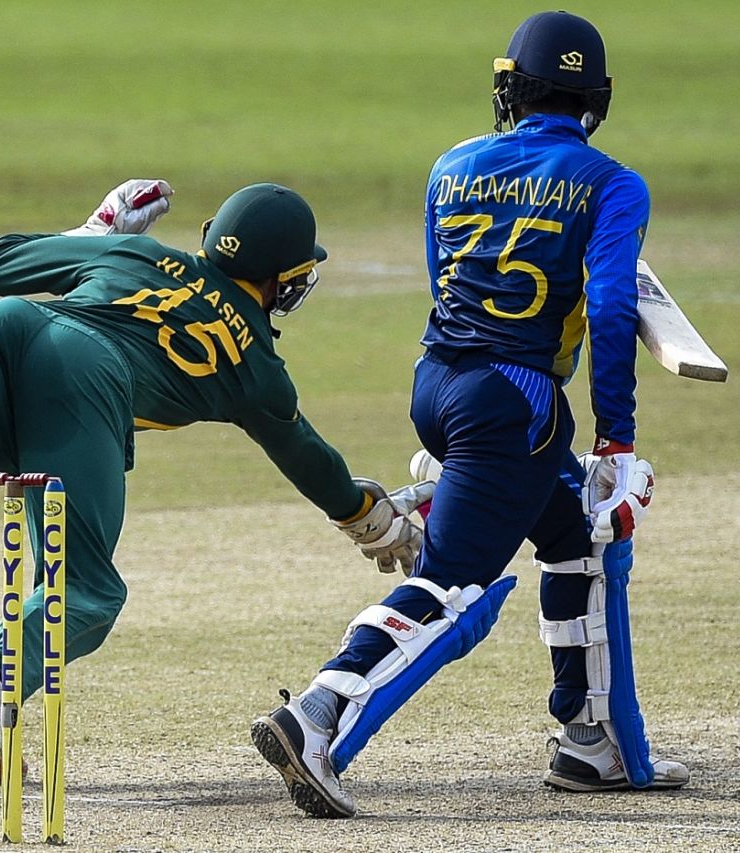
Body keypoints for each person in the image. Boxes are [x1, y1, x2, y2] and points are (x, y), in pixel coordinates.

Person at [0, 179, 430, 781]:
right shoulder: (256, 366)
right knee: (87, 591)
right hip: (84, 382)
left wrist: (97, 231)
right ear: (283, 280)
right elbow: (307, 457)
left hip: (10, 326)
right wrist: (366, 516)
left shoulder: (140, 254)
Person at [251, 11, 689, 818]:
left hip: (437, 383)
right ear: (595, 99)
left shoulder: (451, 165)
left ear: (511, 88)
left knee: (579, 535)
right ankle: (317, 714)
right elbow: (612, 308)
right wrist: (617, 439)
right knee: (453, 586)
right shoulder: (613, 184)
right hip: (514, 402)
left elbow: (445, 280)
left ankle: (591, 739)